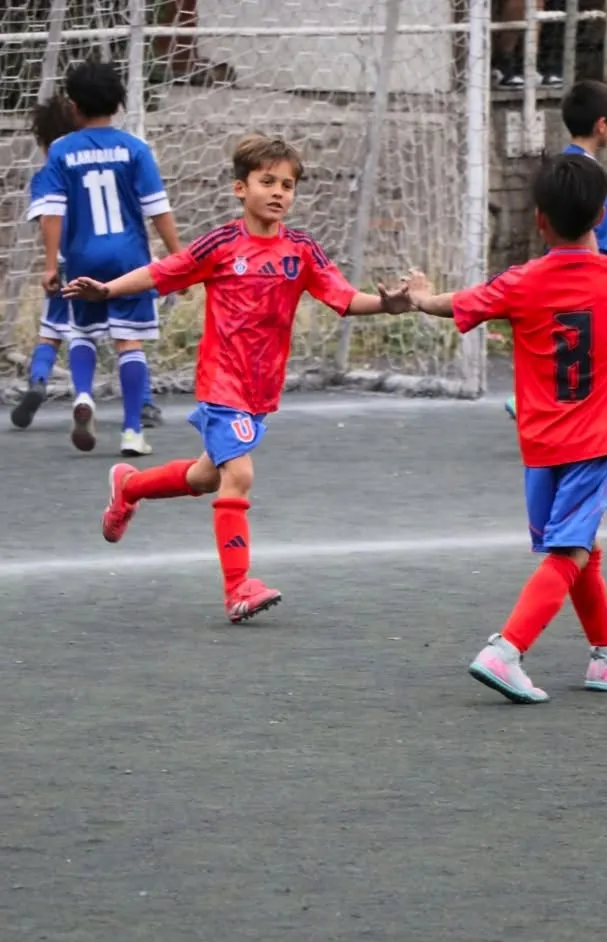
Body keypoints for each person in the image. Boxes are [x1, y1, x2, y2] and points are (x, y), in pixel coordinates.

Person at [63, 132, 412, 624]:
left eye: (287, 185)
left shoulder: (303, 250)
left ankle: (131, 488)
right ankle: (237, 589)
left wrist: (388, 305)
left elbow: (345, 298)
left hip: (260, 390)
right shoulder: (222, 244)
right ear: (239, 189)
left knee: (207, 477)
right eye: (267, 181)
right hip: (221, 383)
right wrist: (107, 290)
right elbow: (165, 271)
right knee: (241, 475)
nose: (278, 192)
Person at [405, 152, 607, 704]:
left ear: (539, 219)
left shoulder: (519, 283)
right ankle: (506, 651)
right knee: (571, 551)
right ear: (602, 214)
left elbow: (454, 304)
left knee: (580, 547)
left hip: (539, 447)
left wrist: (417, 296)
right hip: (592, 445)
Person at [38, 59, 181, 456]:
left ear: (74, 106)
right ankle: (133, 431)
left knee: (81, 333)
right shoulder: (135, 148)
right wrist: (179, 260)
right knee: (128, 342)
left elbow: (52, 211)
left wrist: (51, 264)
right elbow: (157, 208)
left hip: (83, 258)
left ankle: (84, 396)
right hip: (130, 262)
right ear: (117, 104)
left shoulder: (61, 151)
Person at [504, 79, 607, 421]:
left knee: (565, 342)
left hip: (567, 266)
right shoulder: (587, 174)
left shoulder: (564, 166)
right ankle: (540, 403)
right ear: (601, 126)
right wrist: (599, 271)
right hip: (586, 270)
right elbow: (589, 232)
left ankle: (537, 401)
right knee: (583, 345)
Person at [10, 95, 77, 430]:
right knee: (124, 337)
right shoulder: (87, 166)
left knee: (50, 333)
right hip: (102, 261)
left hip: (62, 264)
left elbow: (46, 221)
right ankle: (143, 404)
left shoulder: (43, 177)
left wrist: (50, 263)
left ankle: (37, 381)